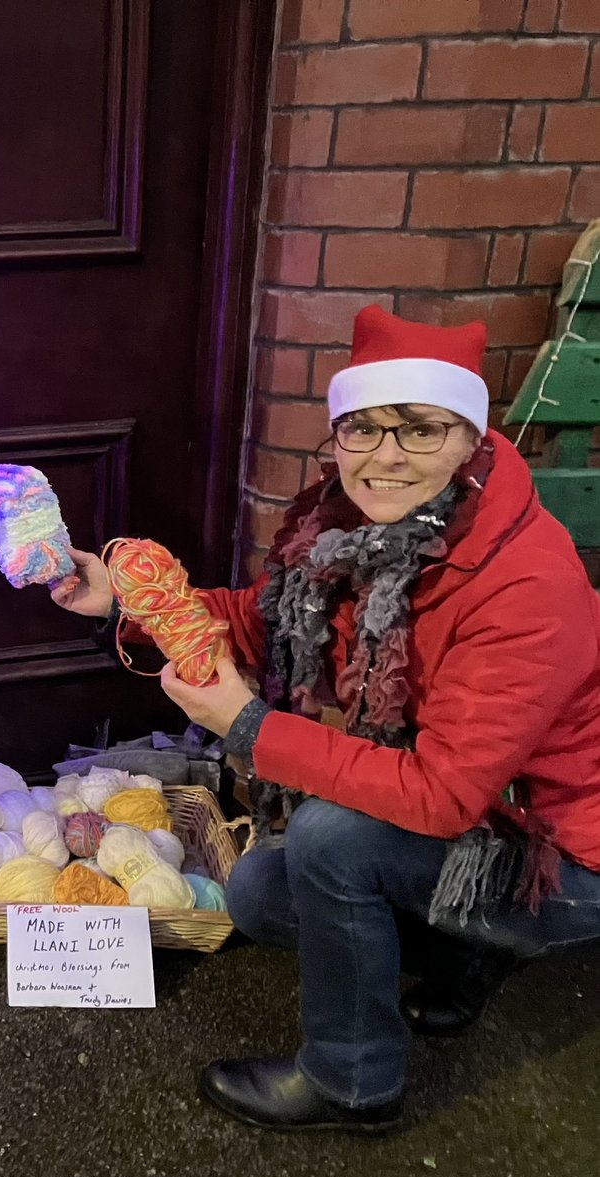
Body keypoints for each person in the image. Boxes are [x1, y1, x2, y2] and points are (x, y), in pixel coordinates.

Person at [51, 304, 600, 1134]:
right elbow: (256, 621)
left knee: (332, 843)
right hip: (474, 825)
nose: (384, 456)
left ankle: (352, 1082)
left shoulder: (523, 583)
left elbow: (446, 794)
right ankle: (465, 948)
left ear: (470, 440)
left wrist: (248, 727)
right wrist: (129, 602)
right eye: (361, 429)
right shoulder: (348, 532)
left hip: (556, 855)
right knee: (262, 894)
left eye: (419, 430)